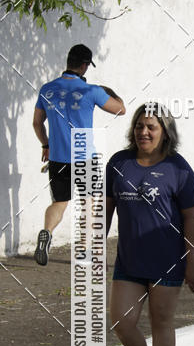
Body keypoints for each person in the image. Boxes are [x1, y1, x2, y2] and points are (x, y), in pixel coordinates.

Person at [105, 103, 194, 346]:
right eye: (139, 126)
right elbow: (106, 207)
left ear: (165, 133)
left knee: (161, 322)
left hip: (167, 260)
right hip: (130, 260)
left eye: (151, 127)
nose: (143, 132)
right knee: (122, 321)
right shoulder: (119, 163)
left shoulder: (179, 168)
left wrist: (193, 262)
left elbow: (191, 217)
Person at [32, 44, 125, 265]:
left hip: (58, 158)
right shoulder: (91, 91)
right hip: (85, 157)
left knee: (60, 202)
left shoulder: (47, 89)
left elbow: (37, 124)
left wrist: (46, 145)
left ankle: (47, 231)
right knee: (89, 203)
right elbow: (121, 109)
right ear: (84, 65)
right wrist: (109, 92)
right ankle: (83, 250)